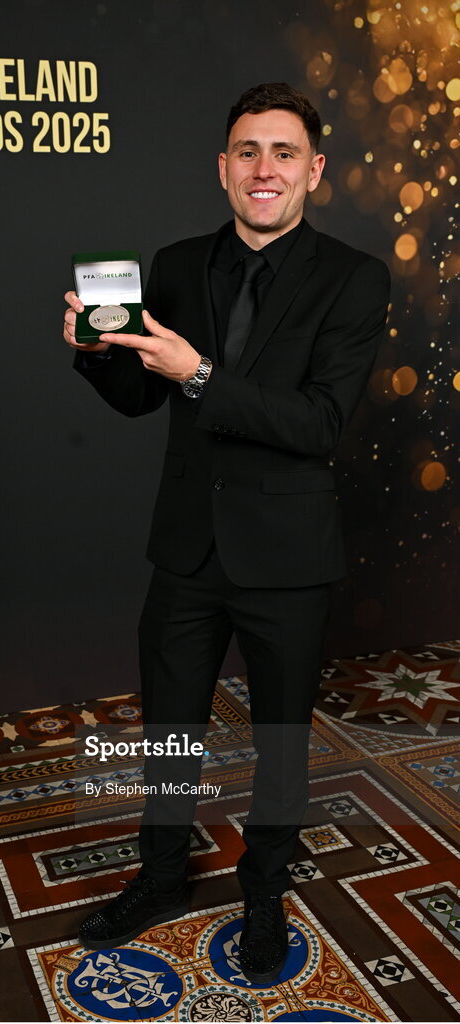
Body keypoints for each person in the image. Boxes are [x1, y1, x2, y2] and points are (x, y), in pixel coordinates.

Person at [62, 82, 390, 984]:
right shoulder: (172, 265)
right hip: (187, 548)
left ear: (313, 171)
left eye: (284, 153)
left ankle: (262, 893)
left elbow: (319, 423)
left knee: (281, 736)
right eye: (247, 151)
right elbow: (138, 397)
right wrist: (94, 355)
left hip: (286, 558)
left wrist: (199, 371)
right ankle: (162, 875)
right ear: (222, 167)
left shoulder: (356, 280)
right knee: (169, 730)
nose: (264, 170)